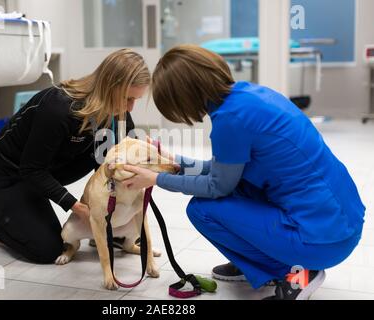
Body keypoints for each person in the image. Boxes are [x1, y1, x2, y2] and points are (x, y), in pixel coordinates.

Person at [121, 45, 365, 300]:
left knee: (202, 210)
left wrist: (157, 179)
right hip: (340, 223)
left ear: (184, 95)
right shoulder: (248, 96)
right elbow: (225, 171)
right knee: (240, 188)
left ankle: (296, 274)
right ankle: (253, 263)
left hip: (321, 239)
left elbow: (217, 186)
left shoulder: (230, 119)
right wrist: (174, 162)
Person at [0, 49, 150, 263]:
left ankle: (109, 237)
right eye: (128, 98)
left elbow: (122, 157)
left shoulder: (117, 111)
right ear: (109, 86)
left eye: (135, 99)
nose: (130, 107)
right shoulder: (59, 108)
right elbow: (31, 169)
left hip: (50, 169)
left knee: (111, 154)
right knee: (47, 250)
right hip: (11, 175)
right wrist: (78, 208)